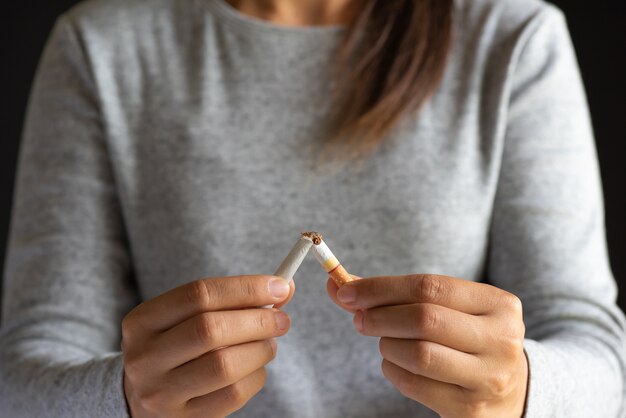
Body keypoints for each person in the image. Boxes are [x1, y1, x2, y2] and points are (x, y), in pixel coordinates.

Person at [1, 0, 625, 416]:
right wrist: (125, 398)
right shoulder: (104, 44)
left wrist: (520, 389)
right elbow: (23, 376)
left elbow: (604, 363)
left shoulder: (513, 36)